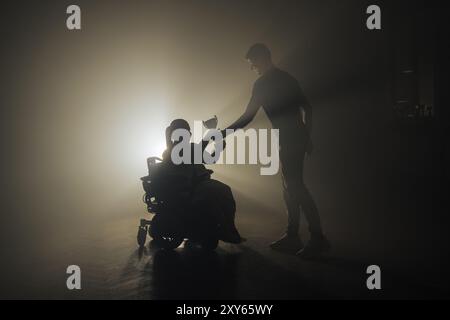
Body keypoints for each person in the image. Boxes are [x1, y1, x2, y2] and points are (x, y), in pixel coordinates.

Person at [221, 43, 329, 258]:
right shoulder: (287, 78)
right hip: (295, 137)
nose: (253, 68)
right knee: (290, 187)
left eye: (253, 63)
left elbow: (248, 117)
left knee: (296, 187)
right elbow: (307, 108)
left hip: (289, 139)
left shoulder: (262, 84)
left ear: (262, 58)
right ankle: (293, 235)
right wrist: (307, 136)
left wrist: (223, 133)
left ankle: (317, 238)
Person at [163, 119, 243, 243]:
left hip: (200, 185)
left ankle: (229, 228)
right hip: (187, 189)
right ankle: (225, 230)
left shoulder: (190, 147)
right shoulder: (172, 151)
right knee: (216, 197)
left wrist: (218, 149)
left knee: (225, 191)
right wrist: (211, 133)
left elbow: (210, 159)